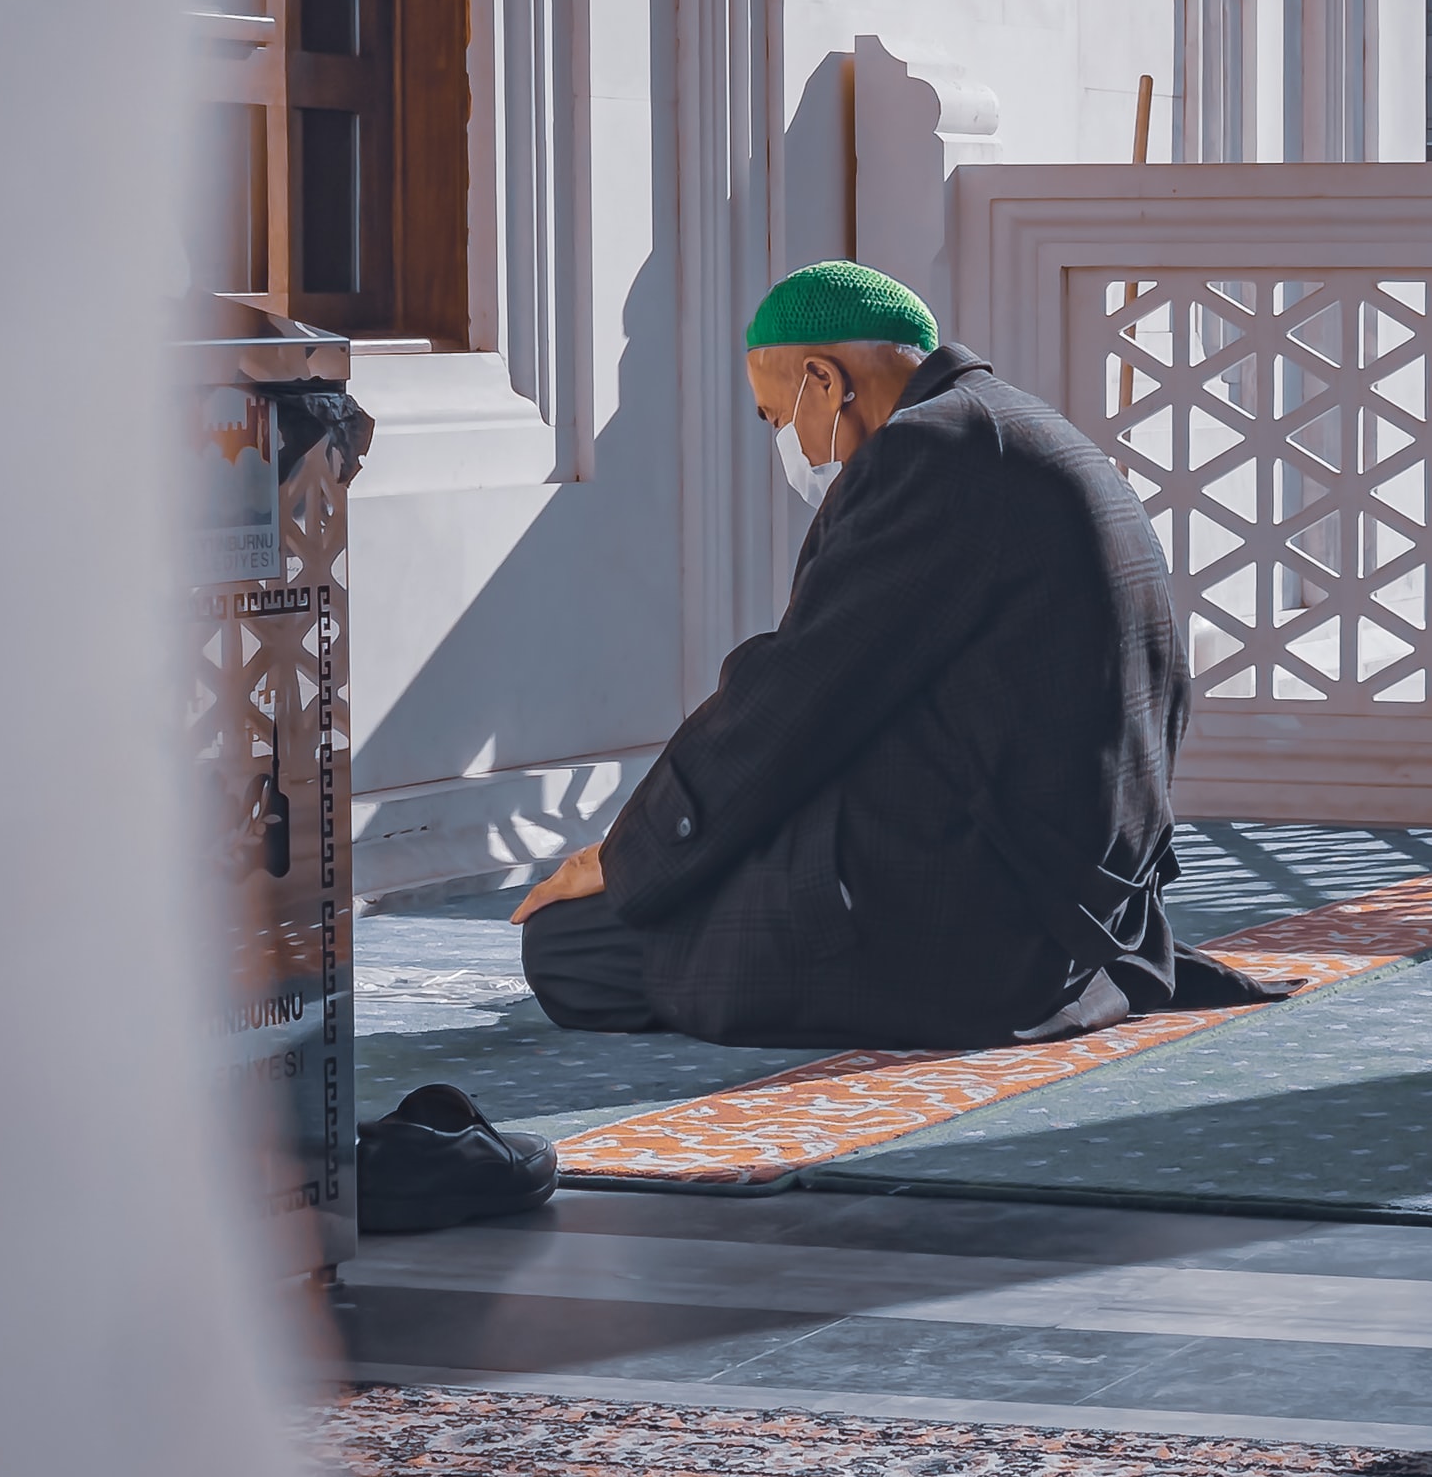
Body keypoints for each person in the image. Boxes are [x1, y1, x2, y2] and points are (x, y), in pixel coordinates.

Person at [512, 259, 1273, 1049]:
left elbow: (798, 697)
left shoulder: (928, 454)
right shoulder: (1016, 428)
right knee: (695, 883)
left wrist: (626, 856)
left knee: (571, 945)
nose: (787, 441)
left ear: (823, 379)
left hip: (983, 918)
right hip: (1083, 898)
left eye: (775, 417)